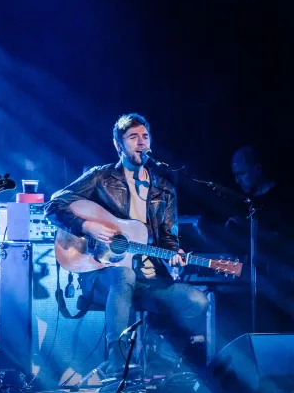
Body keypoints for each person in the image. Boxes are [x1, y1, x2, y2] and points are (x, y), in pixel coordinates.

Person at [45, 113, 209, 375]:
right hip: (99, 274)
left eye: (145, 136)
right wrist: (87, 226)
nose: (141, 142)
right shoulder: (100, 178)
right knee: (124, 274)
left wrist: (174, 252)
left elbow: (168, 239)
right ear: (118, 145)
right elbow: (53, 205)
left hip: (148, 278)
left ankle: (162, 364)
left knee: (197, 301)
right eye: (134, 137)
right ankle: (116, 364)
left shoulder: (164, 189)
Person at [227, 146, 293, 332]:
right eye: (235, 175)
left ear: (258, 169)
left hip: (283, 283)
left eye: (242, 174)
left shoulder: (284, 200)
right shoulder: (242, 203)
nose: (237, 181)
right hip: (252, 285)